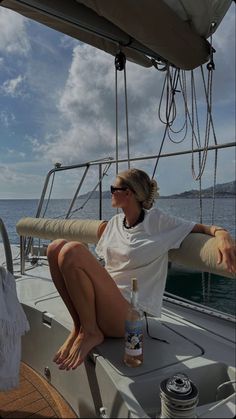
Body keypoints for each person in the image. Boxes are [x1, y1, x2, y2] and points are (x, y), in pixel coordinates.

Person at [47, 168, 236, 371]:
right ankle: (80, 327)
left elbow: (203, 228)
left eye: (113, 188)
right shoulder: (114, 223)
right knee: (55, 247)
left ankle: (92, 331)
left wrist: (223, 236)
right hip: (103, 303)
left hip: (127, 314)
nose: (110, 192)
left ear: (128, 193)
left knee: (72, 250)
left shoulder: (158, 222)